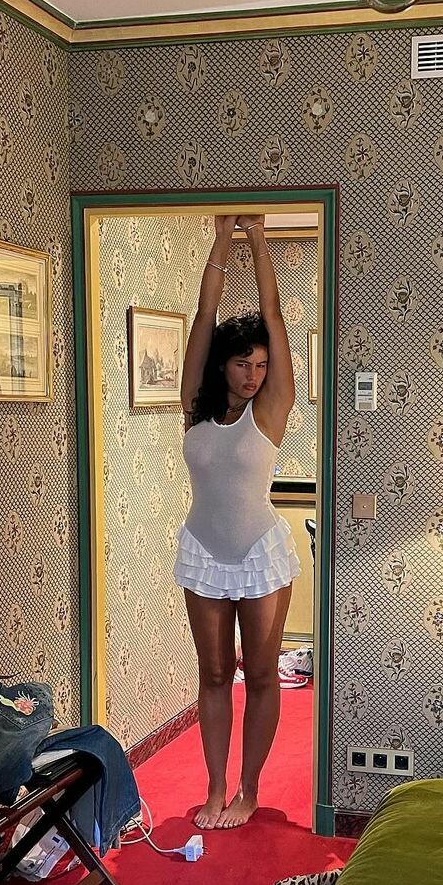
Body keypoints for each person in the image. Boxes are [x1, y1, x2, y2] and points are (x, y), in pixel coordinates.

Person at [176, 213, 300, 829]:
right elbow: (204, 318)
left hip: (260, 552)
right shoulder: (193, 409)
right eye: (242, 364)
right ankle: (216, 786)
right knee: (215, 673)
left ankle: (249, 790)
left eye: (261, 365)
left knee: (262, 675)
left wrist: (258, 241)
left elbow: (274, 319)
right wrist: (221, 242)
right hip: (203, 549)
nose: (253, 375)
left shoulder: (271, 409)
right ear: (222, 365)